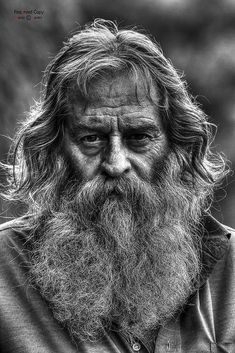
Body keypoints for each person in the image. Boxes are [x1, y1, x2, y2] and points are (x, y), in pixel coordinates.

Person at [0, 19, 234, 353]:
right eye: (91, 138)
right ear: (55, 149)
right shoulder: (4, 274)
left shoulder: (231, 271)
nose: (115, 162)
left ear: (175, 147)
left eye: (139, 137)